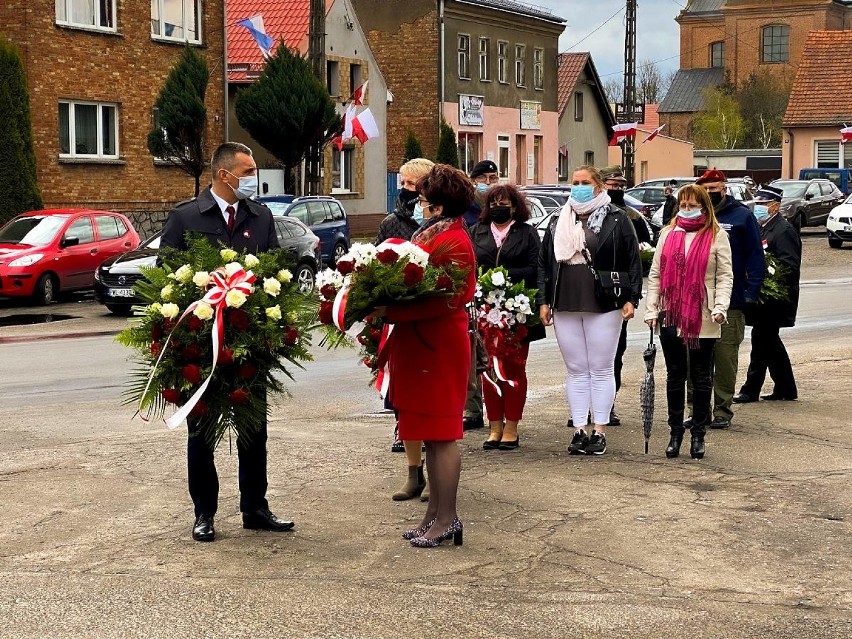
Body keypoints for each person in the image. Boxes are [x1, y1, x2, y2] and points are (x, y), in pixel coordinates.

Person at [160, 142, 294, 542]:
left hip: (249, 344)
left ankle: (255, 506)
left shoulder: (261, 216)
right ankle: (204, 513)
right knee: (201, 433)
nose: (253, 179)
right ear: (224, 175)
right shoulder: (186, 217)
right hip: (201, 347)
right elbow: (166, 277)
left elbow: (275, 271)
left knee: (255, 431)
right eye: (247, 172)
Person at [381, 164, 477, 548]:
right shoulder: (432, 234)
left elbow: (445, 300)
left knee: (443, 435)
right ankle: (433, 514)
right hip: (421, 342)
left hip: (438, 344)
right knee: (430, 434)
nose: (418, 204)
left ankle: (448, 517)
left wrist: (388, 311)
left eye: (424, 199)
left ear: (440, 204)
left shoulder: (454, 240)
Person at [538, 165, 642, 456]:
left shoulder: (617, 218)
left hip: (605, 302)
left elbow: (633, 260)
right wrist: (543, 301)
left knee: (600, 367)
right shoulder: (560, 217)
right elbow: (544, 263)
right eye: (574, 182)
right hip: (565, 301)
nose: (579, 186)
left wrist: (632, 297)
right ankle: (579, 430)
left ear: (599, 186)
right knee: (575, 370)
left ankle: (599, 430)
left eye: (585, 182)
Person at [644, 184, 733, 459]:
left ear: (704, 207)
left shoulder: (717, 235)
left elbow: (724, 276)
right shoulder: (668, 234)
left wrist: (720, 307)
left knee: (701, 376)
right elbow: (656, 274)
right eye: (683, 205)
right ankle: (674, 433)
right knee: (675, 375)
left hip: (703, 314)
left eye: (692, 205)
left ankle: (698, 434)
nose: (687, 209)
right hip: (670, 312)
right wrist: (650, 310)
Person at [375, 158, 435, 502]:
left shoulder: (441, 225)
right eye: (402, 183)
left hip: (430, 321)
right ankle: (414, 473)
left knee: (432, 399)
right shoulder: (390, 223)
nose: (405, 189)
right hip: (397, 321)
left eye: (412, 184)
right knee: (404, 398)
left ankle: (436, 465)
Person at [469, 184, 544, 450]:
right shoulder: (476, 232)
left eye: (505, 203)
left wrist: (505, 278)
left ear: (515, 207)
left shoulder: (527, 232)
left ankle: (511, 426)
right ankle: (495, 426)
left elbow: (537, 268)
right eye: (494, 203)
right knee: (488, 369)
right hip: (484, 311)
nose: (499, 207)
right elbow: (470, 267)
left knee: (512, 368)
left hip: (517, 311)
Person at [693, 169, 764, 430]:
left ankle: (722, 409)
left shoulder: (741, 216)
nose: (710, 195)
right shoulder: (693, 216)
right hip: (696, 302)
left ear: (724, 188)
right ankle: (695, 408)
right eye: (706, 190)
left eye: (714, 189)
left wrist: (750, 292)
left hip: (731, 301)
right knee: (696, 361)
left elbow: (756, 257)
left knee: (725, 359)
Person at [734, 184, 801, 403]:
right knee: (768, 342)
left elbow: (789, 265)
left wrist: (767, 280)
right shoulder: (763, 227)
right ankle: (785, 388)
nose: (758, 208)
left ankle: (750, 389)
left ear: (775, 206)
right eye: (758, 204)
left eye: (762, 204)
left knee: (763, 341)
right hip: (765, 300)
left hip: (775, 299)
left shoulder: (783, 230)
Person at [601, 165, 648, 426]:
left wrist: (633, 296)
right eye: (612, 185)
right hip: (586, 294)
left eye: (620, 186)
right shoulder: (578, 215)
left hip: (617, 295)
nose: (617, 190)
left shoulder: (631, 217)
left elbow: (638, 257)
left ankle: (608, 405)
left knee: (614, 355)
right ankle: (583, 406)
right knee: (584, 360)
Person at [460, 159, 499, 432]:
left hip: (499, 291)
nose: (489, 182)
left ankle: (498, 407)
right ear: (474, 180)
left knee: (495, 352)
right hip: (473, 291)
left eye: (493, 177)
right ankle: (473, 409)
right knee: (473, 352)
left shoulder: (499, 210)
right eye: (484, 177)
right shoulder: (465, 212)